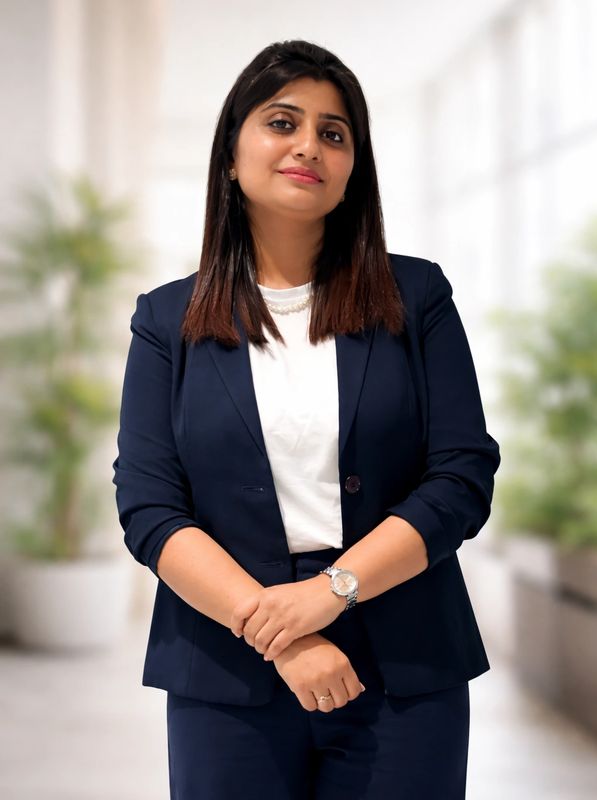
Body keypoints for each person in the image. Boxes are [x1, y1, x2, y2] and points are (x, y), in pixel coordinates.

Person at [112, 39, 501, 800]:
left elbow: (461, 477)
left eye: (333, 132)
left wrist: (330, 592)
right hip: (228, 662)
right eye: (282, 121)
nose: (308, 146)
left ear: (354, 167)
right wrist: (279, 633)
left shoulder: (417, 298)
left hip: (403, 656)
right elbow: (150, 510)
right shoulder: (166, 320)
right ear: (231, 154)